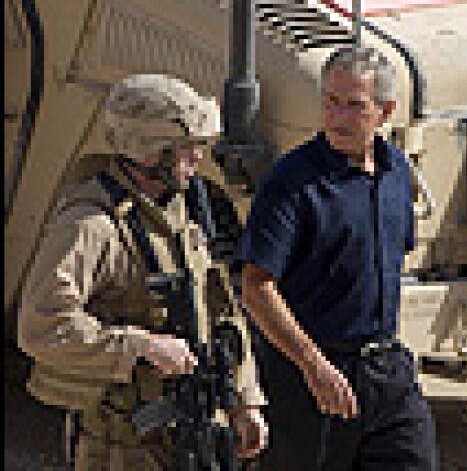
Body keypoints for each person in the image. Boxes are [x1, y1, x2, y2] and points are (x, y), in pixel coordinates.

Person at [17, 74, 268, 470]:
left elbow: (220, 310)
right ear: (150, 151)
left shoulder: (185, 209)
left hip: (195, 427)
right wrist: (141, 346)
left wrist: (246, 398)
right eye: (186, 148)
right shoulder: (90, 224)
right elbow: (42, 325)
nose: (198, 157)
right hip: (122, 445)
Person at [237, 45, 436, 470]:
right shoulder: (291, 183)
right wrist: (313, 363)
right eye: (331, 102)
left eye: (355, 106)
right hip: (311, 380)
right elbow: (256, 286)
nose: (339, 117)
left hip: (386, 371)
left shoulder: (396, 171)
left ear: (385, 112)